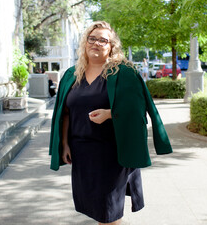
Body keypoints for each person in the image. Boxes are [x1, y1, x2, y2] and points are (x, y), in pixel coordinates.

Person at [49, 21, 172, 225]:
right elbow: (65, 112)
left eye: (103, 40)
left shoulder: (124, 73)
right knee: (98, 210)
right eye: (92, 38)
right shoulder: (72, 75)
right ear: (85, 42)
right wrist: (64, 144)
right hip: (82, 152)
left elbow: (137, 110)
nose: (96, 43)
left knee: (108, 212)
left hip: (112, 153)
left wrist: (110, 113)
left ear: (111, 46)